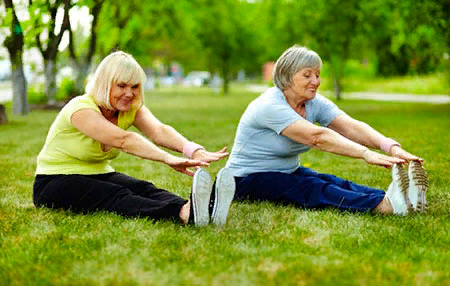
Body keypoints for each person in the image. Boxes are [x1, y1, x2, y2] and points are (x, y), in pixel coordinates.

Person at [33, 51, 235, 226]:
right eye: (121, 86)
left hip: (96, 173)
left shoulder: (130, 109)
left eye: (135, 86)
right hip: (54, 181)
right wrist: (167, 158)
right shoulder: (80, 109)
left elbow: (159, 130)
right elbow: (124, 140)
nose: (129, 93)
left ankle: (199, 208)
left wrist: (193, 150)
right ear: (105, 84)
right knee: (116, 196)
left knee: (143, 188)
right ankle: (181, 214)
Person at [225, 45, 429, 215]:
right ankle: (383, 206)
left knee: (331, 181)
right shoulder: (269, 105)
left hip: (284, 171)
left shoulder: (312, 102)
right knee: (311, 188)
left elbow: (350, 127)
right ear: (287, 76)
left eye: (317, 75)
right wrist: (366, 154)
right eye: (307, 75)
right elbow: (318, 138)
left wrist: (391, 147)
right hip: (244, 180)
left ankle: (399, 199)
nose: (316, 81)